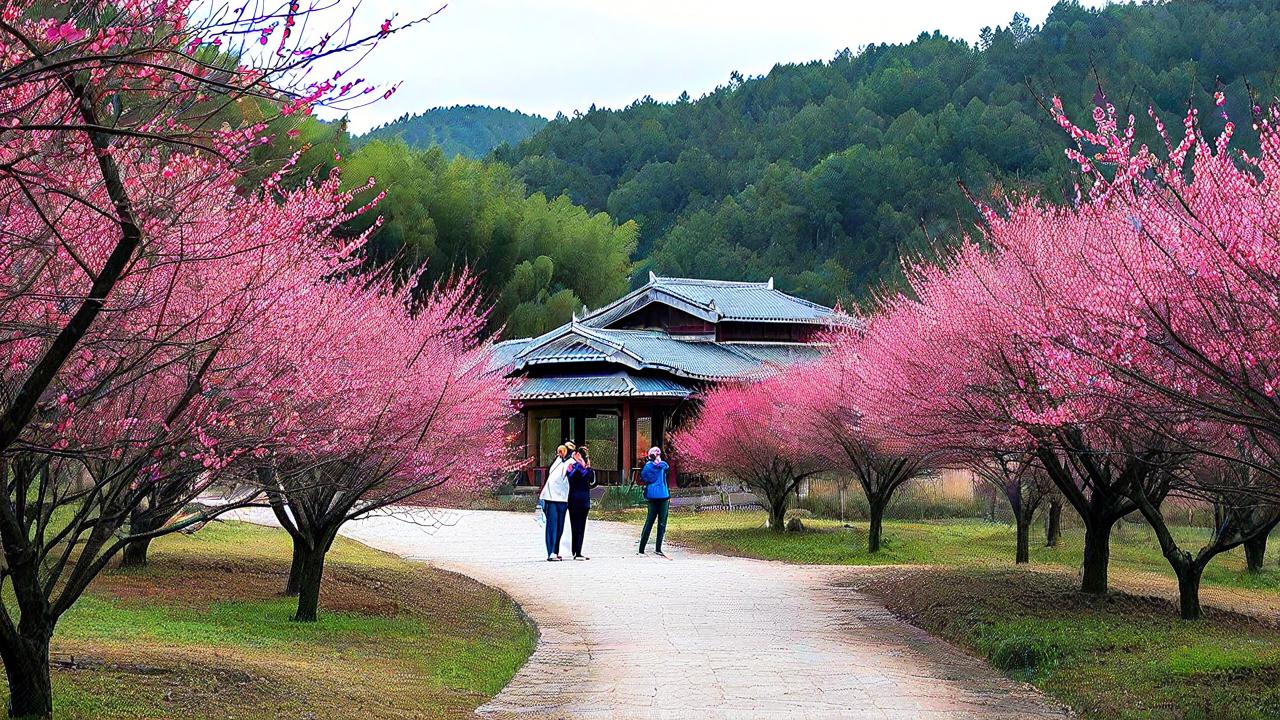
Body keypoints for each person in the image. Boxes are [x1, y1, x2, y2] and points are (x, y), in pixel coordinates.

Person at [539, 443, 575, 560]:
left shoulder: (572, 462)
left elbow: (572, 474)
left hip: (563, 498)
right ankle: (551, 552)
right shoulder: (558, 461)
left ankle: (555, 550)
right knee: (552, 526)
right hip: (550, 497)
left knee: (560, 527)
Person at [636, 446, 670, 557]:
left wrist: (657, 462)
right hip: (656, 497)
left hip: (661, 496)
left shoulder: (659, 465)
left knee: (660, 523)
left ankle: (657, 548)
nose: (658, 456)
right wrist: (656, 462)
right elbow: (646, 476)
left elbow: (665, 466)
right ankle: (642, 548)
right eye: (657, 454)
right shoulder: (649, 466)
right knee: (651, 522)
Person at [566, 446, 597, 560]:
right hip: (583, 500)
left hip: (573, 499)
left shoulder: (571, 468)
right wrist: (586, 466)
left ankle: (575, 551)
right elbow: (593, 483)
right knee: (581, 527)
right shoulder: (587, 470)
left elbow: (570, 477)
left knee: (574, 526)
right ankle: (578, 552)